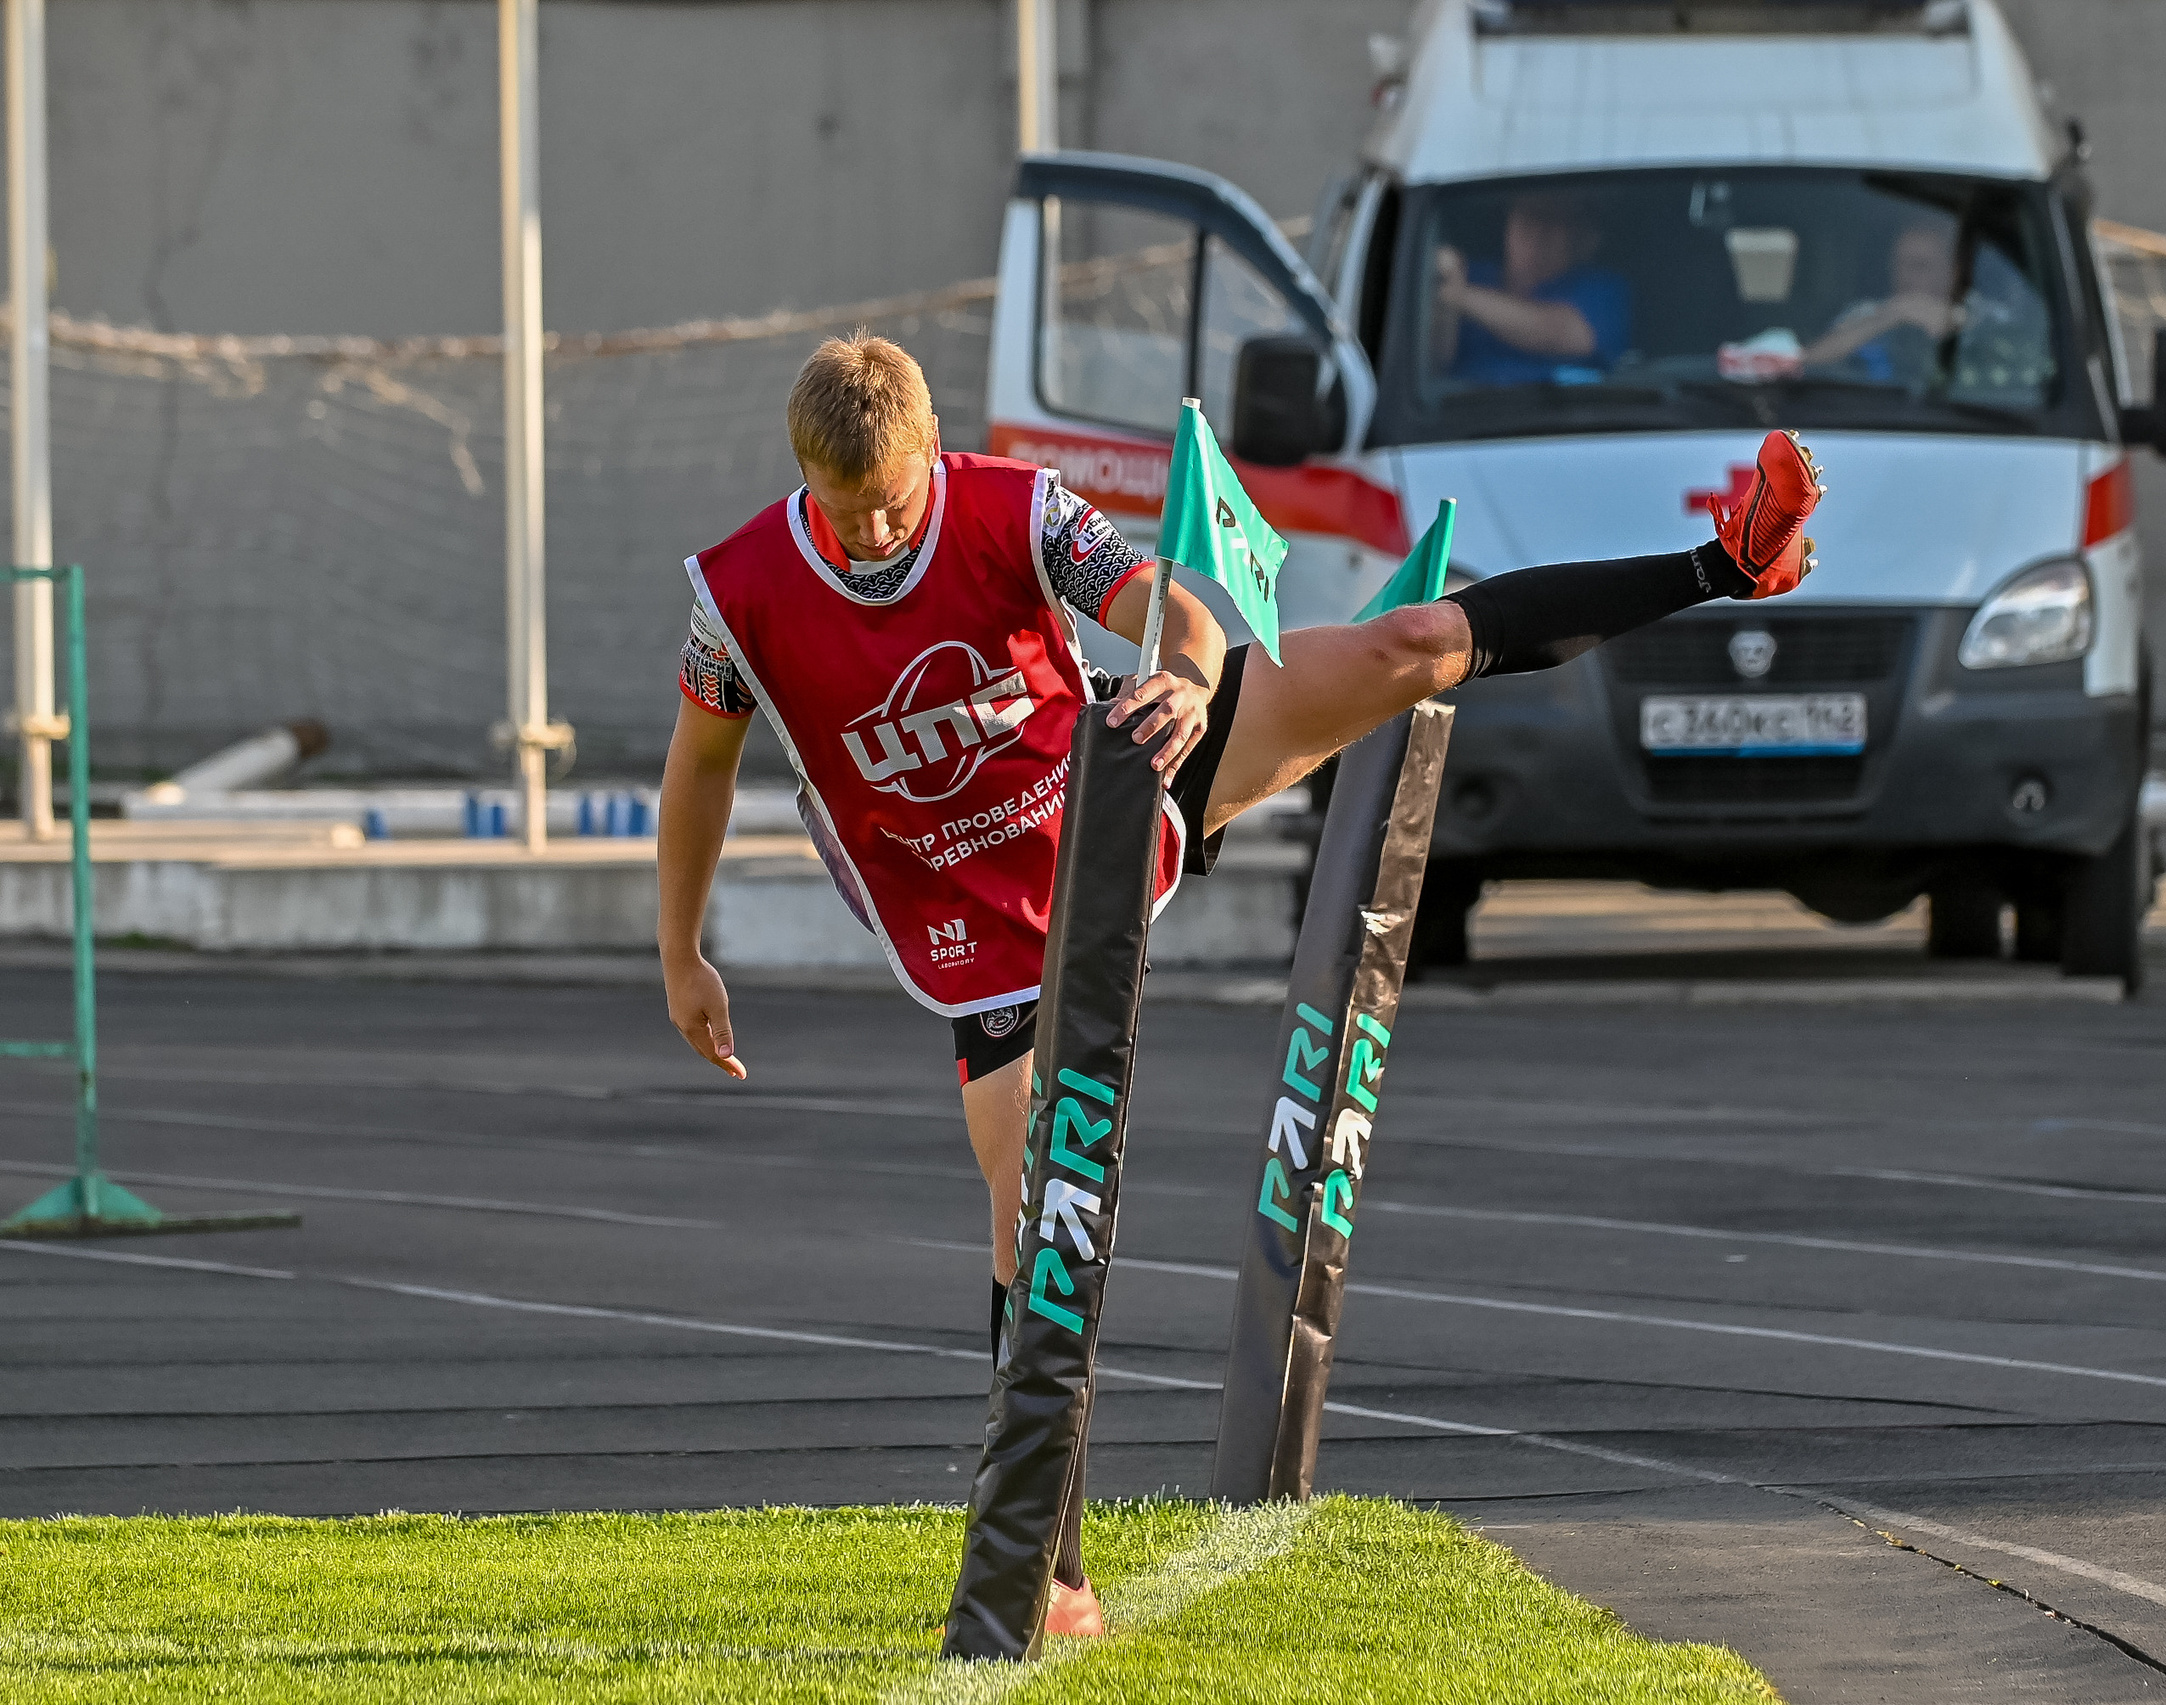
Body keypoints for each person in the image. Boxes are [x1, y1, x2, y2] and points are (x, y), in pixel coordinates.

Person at [656, 335, 1822, 1636]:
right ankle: (1056, 1570)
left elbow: (1172, 600)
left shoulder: (1016, 507)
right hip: (981, 913)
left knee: (1410, 643)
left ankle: (1729, 563)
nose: (873, 533)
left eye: (892, 501)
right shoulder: (736, 597)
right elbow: (699, 767)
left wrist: (1185, 671)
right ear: (801, 473)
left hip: (1122, 765)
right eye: (844, 507)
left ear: (933, 450)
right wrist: (680, 952)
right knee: (1030, 1207)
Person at [1433, 191, 1632, 384]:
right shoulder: (1468, 275)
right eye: (1527, 215)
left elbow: (1565, 335)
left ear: (1579, 237)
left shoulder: (1604, 289)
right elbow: (1433, 361)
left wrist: (1460, 296)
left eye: (1550, 218)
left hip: (1560, 405)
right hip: (1462, 404)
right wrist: (1440, 280)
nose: (1537, 230)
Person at [1801, 219, 1966, 382]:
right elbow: (1807, 363)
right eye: (1899, 264)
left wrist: (1955, 324)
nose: (1905, 276)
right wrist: (1887, 317)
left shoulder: (1974, 316)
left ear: (1951, 273)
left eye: (1919, 265)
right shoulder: (1867, 312)